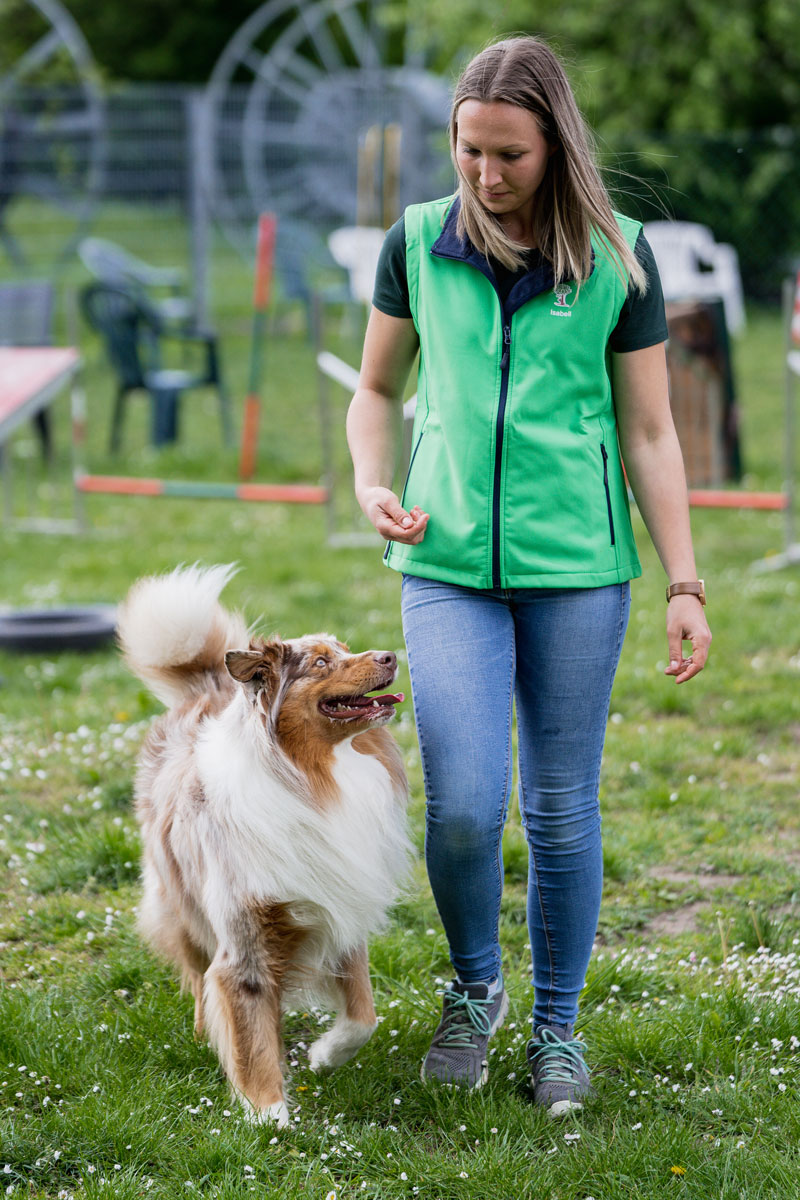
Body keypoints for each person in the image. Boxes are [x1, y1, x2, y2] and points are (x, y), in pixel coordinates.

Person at [346, 35, 711, 1116]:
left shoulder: (617, 257)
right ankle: (475, 991)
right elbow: (375, 388)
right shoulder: (417, 243)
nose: (485, 173)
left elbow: (651, 432)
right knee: (462, 804)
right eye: (469, 150)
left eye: (509, 154)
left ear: (556, 146)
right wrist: (371, 480)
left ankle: (558, 1027)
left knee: (557, 808)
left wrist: (684, 584)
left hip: (578, 569)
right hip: (445, 561)